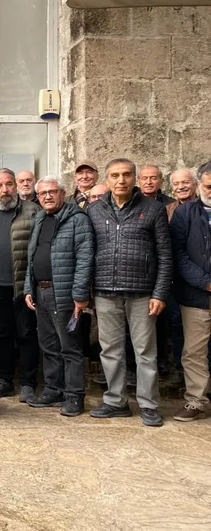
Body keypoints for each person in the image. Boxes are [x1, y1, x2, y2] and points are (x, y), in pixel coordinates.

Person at [86, 158, 172, 427]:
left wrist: (160, 293)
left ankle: (148, 404)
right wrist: (87, 291)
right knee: (110, 350)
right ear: (107, 179)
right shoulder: (94, 210)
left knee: (145, 351)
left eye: (126, 175)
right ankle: (116, 402)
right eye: (115, 175)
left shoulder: (153, 209)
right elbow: (87, 252)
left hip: (142, 293)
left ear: (134, 178)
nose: (120, 180)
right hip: (105, 291)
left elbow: (165, 255)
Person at [23, 176, 95, 416]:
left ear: (63, 194)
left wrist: (80, 294)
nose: (47, 196)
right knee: (48, 345)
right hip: (40, 291)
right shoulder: (40, 218)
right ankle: (54, 390)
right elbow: (31, 256)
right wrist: (28, 288)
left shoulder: (77, 219)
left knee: (69, 347)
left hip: (63, 292)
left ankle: (74, 396)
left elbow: (85, 259)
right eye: (42, 193)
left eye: (52, 192)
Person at [0, 168, 40, 402]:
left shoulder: (32, 211)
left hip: (23, 286)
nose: (5, 190)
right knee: (0, 335)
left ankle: (28, 383)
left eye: (9, 184)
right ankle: (3, 380)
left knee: (26, 334)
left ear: (16, 186)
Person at [169, 161, 211, 422]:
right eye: (209, 186)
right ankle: (196, 400)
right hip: (197, 296)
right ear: (199, 185)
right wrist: (206, 282)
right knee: (194, 352)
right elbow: (178, 254)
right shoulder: (185, 213)